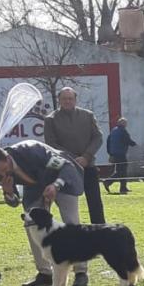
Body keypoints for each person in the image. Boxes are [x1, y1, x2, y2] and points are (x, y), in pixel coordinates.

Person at [0, 141, 88, 286]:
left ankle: (80, 272)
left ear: (7, 158)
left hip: (62, 179)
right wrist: (8, 193)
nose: (3, 174)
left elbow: (65, 166)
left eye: (5, 169)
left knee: (72, 224)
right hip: (34, 188)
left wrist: (55, 185)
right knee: (30, 224)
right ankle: (44, 273)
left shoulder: (32, 151)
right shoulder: (1, 170)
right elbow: (14, 203)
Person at [43, 87, 106, 223]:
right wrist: (72, 160)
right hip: (62, 168)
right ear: (59, 100)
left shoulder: (87, 115)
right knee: (65, 204)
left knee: (95, 202)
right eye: (64, 99)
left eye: (70, 98)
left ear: (75, 100)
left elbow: (98, 137)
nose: (67, 101)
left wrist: (86, 156)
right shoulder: (50, 119)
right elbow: (51, 143)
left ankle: (101, 232)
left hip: (87, 165)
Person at [104, 117, 136, 194]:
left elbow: (108, 142)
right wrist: (134, 144)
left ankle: (123, 187)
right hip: (120, 153)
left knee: (121, 171)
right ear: (124, 124)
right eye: (125, 123)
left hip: (114, 154)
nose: (126, 124)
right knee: (121, 171)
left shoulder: (113, 131)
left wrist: (110, 153)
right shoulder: (123, 131)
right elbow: (127, 140)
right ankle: (108, 182)